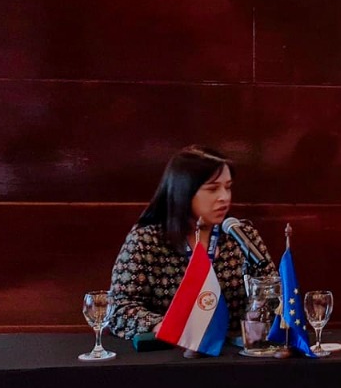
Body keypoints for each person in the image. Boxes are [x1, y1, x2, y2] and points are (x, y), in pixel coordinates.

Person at [107, 145, 277, 341]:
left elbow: (274, 293)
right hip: (172, 354)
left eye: (228, 187)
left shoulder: (241, 235)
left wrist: (259, 315)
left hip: (231, 353)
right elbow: (120, 308)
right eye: (213, 189)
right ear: (183, 191)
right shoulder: (146, 241)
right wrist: (163, 326)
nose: (224, 197)